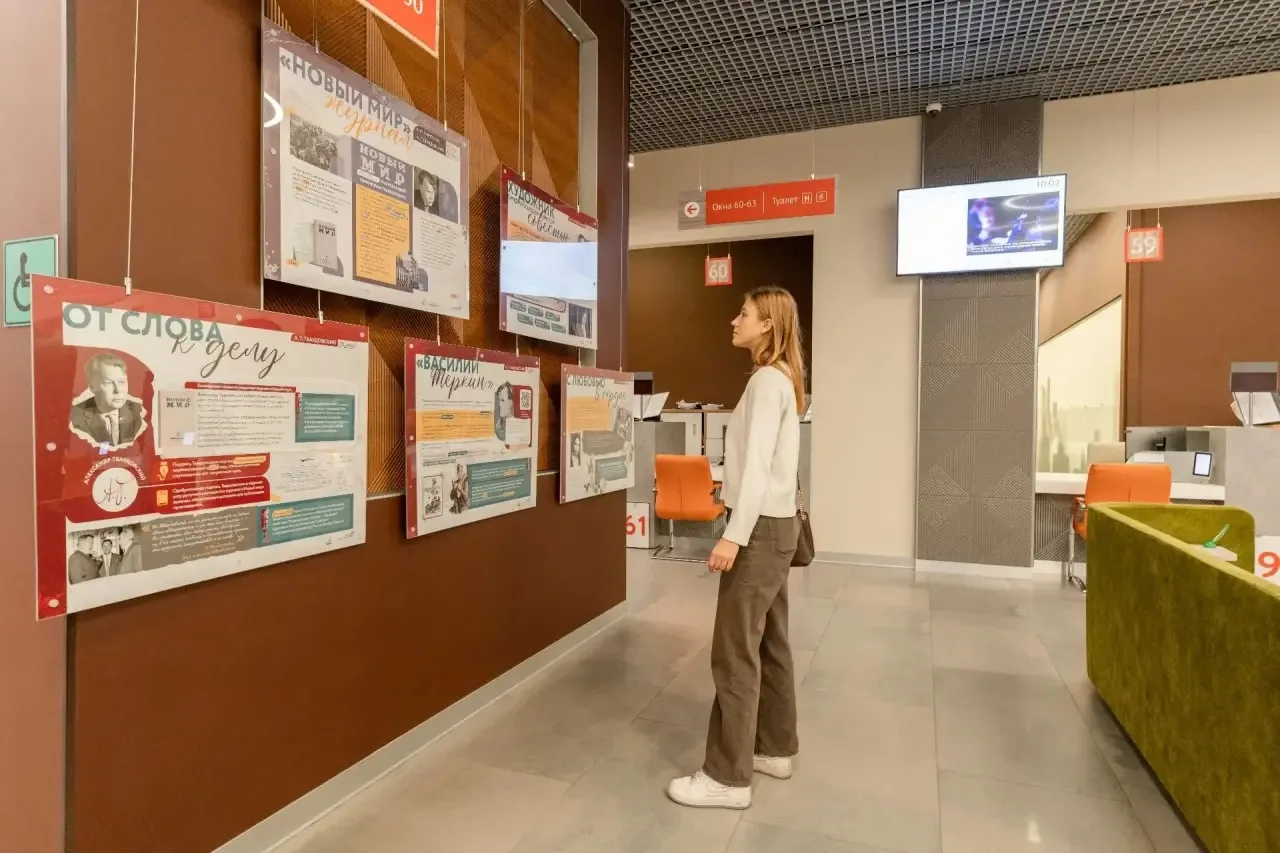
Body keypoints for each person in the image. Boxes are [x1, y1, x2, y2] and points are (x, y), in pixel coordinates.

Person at [667, 285, 804, 811]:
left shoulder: (767, 381)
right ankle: (773, 747)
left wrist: (733, 534)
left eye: (743, 313)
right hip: (778, 527)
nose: (734, 320)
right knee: (770, 644)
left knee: (734, 651)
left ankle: (726, 777)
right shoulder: (782, 378)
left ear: (767, 323)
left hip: (760, 531)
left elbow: (758, 467)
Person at [69, 353, 144, 447]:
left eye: (122, 382)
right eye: (109, 383)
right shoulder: (76, 418)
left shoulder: (139, 412)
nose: (118, 390)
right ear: (92, 387)